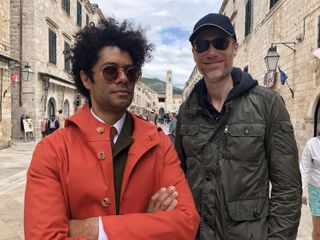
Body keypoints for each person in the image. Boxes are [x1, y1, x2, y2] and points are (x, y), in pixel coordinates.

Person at [24, 18, 199, 239]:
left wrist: (96, 229)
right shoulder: (52, 151)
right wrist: (149, 225)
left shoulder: (158, 143)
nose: (123, 78)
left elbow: (187, 222)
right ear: (87, 78)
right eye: (110, 71)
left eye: (131, 72)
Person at [174, 13, 302, 239]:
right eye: (202, 45)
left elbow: (287, 188)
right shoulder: (187, 111)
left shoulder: (267, 104)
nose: (211, 52)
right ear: (195, 53)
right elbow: (177, 177)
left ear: (235, 47)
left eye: (220, 43)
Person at [300, 131, 320, 240]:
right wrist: (301, 190)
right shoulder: (312, 144)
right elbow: (305, 168)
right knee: (318, 231)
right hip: (317, 191)